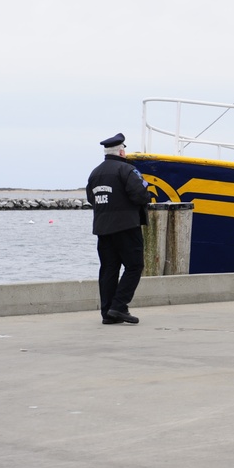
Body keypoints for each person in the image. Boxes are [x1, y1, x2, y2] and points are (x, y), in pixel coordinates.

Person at [86, 133, 151, 325]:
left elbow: (92, 199)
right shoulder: (127, 170)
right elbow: (140, 195)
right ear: (121, 151)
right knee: (134, 266)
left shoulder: (95, 173)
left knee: (108, 269)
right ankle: (119, 306)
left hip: (103, 229)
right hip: (126, 227)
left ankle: (107, 312)